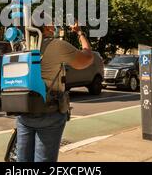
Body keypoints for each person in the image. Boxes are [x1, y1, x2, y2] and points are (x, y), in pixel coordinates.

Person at [16, 22, 94, 162]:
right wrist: (80, 33)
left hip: (23, 112)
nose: (54, 27)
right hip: (49, 112)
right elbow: (87, 58)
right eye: (52, 24)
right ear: (45, 27)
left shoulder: (21, 46)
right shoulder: (57, 45)